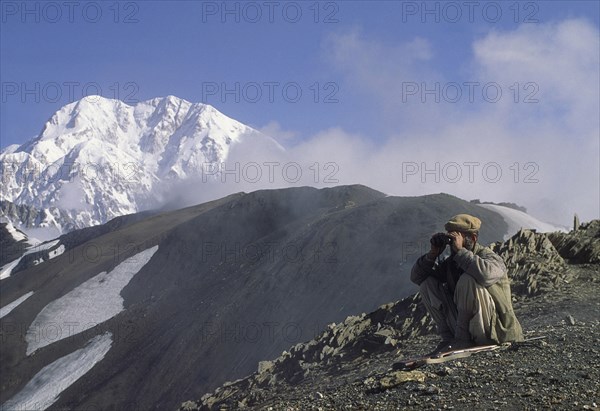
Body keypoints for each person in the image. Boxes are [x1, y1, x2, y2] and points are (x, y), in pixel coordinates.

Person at [411, 214, 523, 355]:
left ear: (473, 238)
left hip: (496, 329)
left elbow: (486, 275)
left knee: (467, 279)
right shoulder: (452, 263)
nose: (452, 243)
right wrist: (432, 254)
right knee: (427, 284)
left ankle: (462, 339)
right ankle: (449, 339)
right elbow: (417, 278)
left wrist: (461, 251)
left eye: (457, 237)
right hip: (466, 330)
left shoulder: (489, 257)